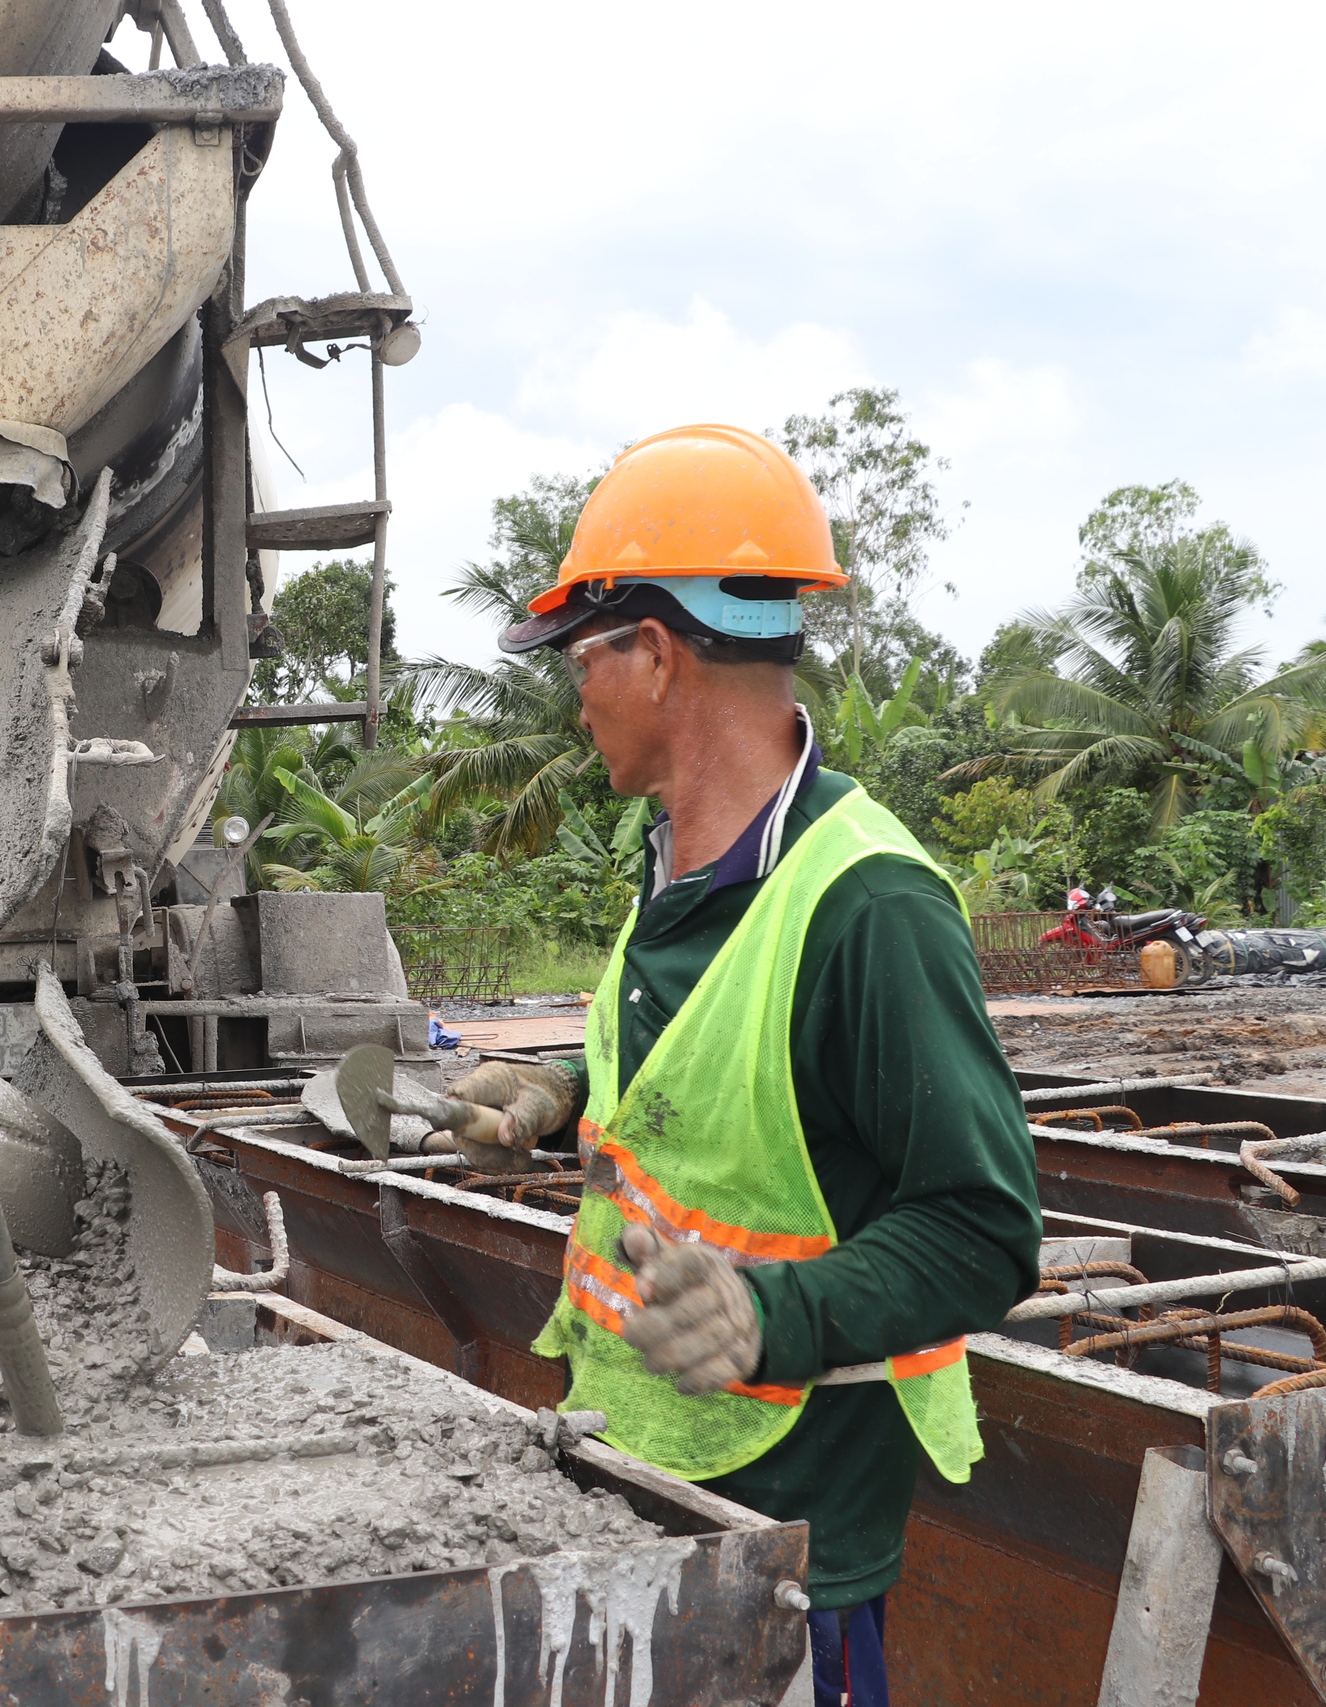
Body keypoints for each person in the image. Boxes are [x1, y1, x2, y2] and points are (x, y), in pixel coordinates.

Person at [447, 425, 1040, 1707]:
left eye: (581, 660)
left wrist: (769, 1316)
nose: (574, 696)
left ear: (653, 653)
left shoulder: (868, 904)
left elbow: (983, 1231)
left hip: (786, 1551)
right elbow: (723, 1093)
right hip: (641, 1485)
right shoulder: (678, 863)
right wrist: (568, 1101)